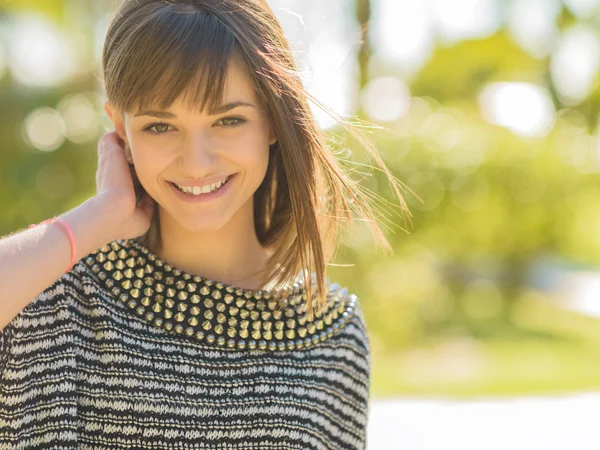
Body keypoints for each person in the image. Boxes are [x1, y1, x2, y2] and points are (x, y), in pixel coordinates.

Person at [0, 0, 407, 448]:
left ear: (273, 119)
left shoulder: (332, 333)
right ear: (120, 130)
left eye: (228, 120)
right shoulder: (51, 297)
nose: (196, 163)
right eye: (160, 126)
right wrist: (100, 216)